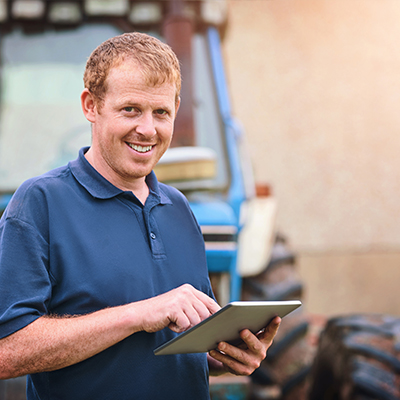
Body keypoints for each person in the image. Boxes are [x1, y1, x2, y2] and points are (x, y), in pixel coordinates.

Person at [0, 32, 280, 399]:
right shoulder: (39, 203)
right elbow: (7, 352)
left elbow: (175, 343)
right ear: (91, 106)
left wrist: (230, 352)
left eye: (161, 112)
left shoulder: (179, 208)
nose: (147, 129)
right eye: (130, 109)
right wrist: (136, 315)